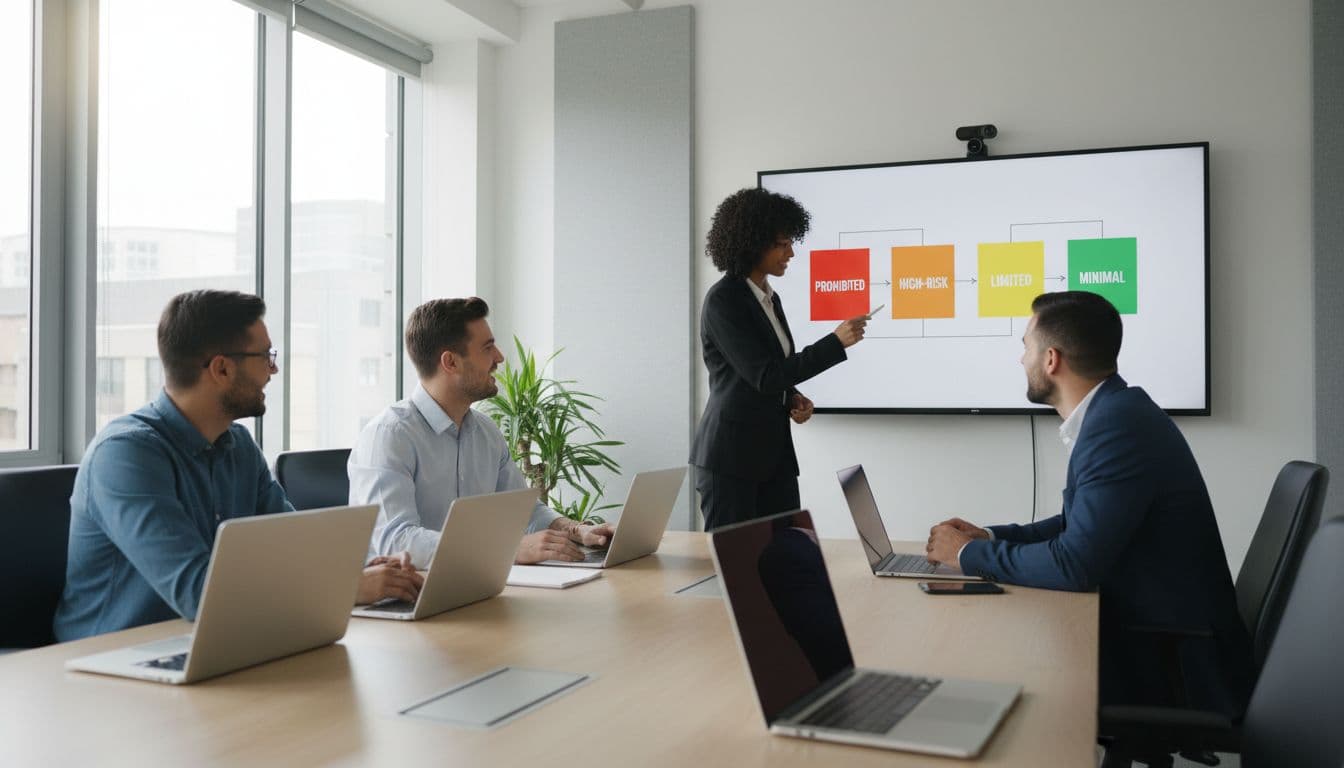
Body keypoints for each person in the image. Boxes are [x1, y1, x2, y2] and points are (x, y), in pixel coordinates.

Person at [924, 290, 1254, 717]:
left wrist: (968, 555)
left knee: (992, 667)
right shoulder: (1117, 413)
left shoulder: (1116, 427)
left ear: (1050, 360)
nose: (1020, 359)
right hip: (1154, 631)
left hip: (1169, 660)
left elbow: (1074, 564)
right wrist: (988, 536)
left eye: (1025, 347)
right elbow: (1073, 524)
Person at [54, 290, 422, 642]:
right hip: (111, 660)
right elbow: (198, 593)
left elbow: (295, 544)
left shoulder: (239, 445)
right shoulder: (126, 454)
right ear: (222, 369)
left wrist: (365, 567)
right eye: (266, 356)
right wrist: (346, 587)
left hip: (216, 639)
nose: (273, 370)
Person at [348, 297, 614, 568]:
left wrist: (576, 530)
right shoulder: (389, 436)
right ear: (450, 362)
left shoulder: (486, 432)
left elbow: (521, 512)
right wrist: (505, 549)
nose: (499, 357)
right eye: (488, 348)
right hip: (406, 594)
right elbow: (396, 542)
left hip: (472, 586)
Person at [690, 187, 868, 530]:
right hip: (731, 461)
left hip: (773, 457)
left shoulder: (769, 299)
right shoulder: (724, 300)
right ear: (753, 242)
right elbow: (765, 375)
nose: (791, 253)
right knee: (738, 570)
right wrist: (835, 342)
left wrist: (792, 397)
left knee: (788, 558)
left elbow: (769, 375)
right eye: (782, 244)